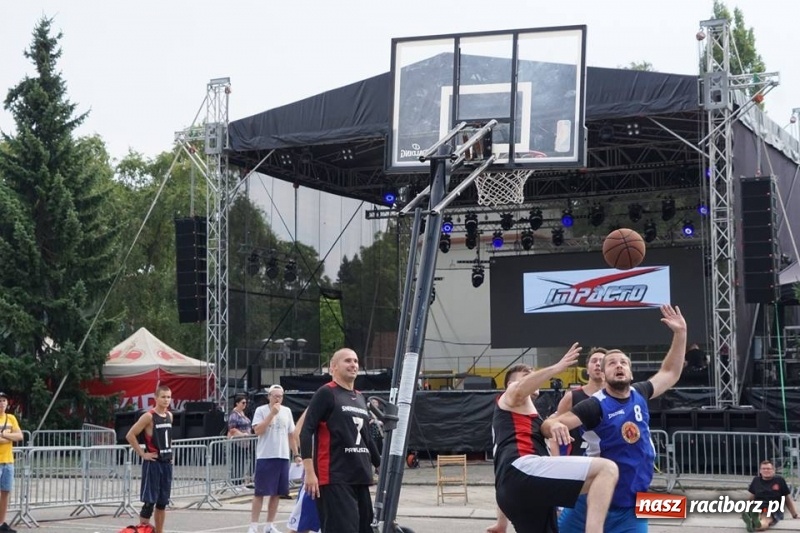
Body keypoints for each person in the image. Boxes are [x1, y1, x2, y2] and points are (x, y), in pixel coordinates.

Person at [543, 304, 687, 533]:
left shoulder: (640, 393)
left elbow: (670, 373)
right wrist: (555, 424)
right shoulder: (594, 406)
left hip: (632, 505)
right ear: (603, 373)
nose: (618, 365)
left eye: (623, 363)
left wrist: (680, 334)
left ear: (630, 372)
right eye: (612, 363)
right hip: (591, 501)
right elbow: (549, 424)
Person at [492, 344, 619, 533]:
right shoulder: (510, 396)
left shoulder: (520, 418)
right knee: (606, 469)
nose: (533, 377)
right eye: (527, 376)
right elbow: (519, 389)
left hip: (512, 489)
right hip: (523, 470)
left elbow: (504, 474)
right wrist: (557, 368)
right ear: (511, 384)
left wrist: (501, 524)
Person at [300, 348, 381, 533]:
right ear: (333, 367)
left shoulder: (360, 397)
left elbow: (366, 437)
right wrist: (309, 472)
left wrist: (379, 465)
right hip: (335, 476)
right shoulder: (327, 393)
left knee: (365, 529)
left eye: (356, 361)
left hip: (359, 475)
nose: (353, 365)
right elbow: (306, 431)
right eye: (347, 361)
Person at [125, 385, 173, 533]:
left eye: (168, 397)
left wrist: (170, 454)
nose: (166, 400)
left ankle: (159, 531)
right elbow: (130, 435)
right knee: (149, 502)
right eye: (163, 397)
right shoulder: (149, 416)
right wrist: (142, 453)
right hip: (153, 464)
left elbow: (168, 438)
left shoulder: (170, 416)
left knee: (162, 503)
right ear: (156, 398)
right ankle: (143, 530)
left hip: (166, 463)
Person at [249, 384, 296, 533]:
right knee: (260, 492)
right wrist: (271, 415)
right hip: (265, 455)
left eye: (280, 396)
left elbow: (291, 434)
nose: (277, 398)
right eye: (274, 395)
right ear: (269, 396)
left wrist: (297, 454)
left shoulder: (287, 411)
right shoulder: (261, 410)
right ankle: (253, 525)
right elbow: (257, 430)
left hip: (282, 456)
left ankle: (269, 524)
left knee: (277, 493)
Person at [551, 348, 606, 457]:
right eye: (594, 361)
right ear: (587, 369)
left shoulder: (617, 396)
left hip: (610, 459)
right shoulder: (572, 396)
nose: (598, 364)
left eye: (602, 361)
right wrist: (556, 462)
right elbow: (554, 433)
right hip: (579, 460)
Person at [741, 459, 798, 531]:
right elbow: (751, 497)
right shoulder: (756, 480)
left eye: (768, 469)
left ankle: (753, 522)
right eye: (763, 469)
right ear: (760, 471)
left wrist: (794, 514)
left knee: (765, 517)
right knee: (760, 515)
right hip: (758, 506)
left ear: (773, 470)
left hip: (772, 508)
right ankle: (753, 521)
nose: (766, 471)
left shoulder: (779, 480)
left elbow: (787, 498)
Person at [287, 409, 320, 533]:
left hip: (334, 474)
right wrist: (311, 407)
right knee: (301, 524)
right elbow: (297, 433)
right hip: (314, 473)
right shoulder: (317, 413)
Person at [0, 392, 22, 533]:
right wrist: (9, 437)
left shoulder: (11, 418)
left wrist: (4, 435)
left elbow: (19, 436)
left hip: (8, 461)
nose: (1, 403)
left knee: (5, 492)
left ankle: (1, 523)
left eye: (3, 400)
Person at [227, 393, 253, 486]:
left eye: (246, 403)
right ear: (237, 403)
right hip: (237, 442)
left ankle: (241, 482)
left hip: (245, 443)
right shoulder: (234, 415)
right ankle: (235, 483)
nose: (245, 405)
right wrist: (242, 435)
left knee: (242, 462)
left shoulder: (242, 414)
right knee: (237, 462)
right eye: (243, 403)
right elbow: (232, 429)